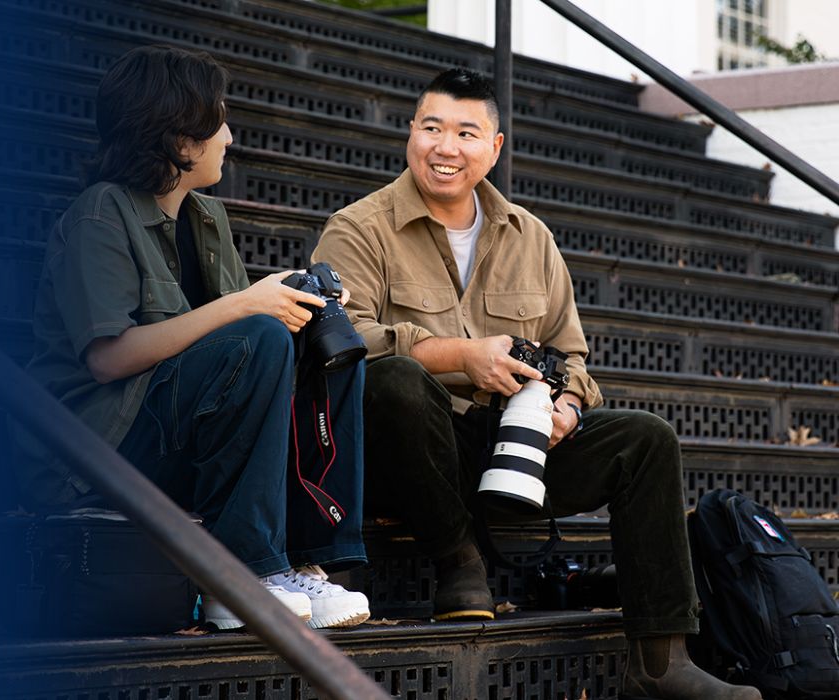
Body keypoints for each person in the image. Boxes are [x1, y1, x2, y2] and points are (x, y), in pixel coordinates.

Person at [313, 68, 761, 699]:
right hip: (410, 447)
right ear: (410, 133)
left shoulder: (531, 236)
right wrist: (461, 355)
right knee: (396, 381)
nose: (446, 147)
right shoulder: (359, 227)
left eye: (467, 133)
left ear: (494, 148)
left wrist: (568, 409)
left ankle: (660, 661)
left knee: (646, 438)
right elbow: (344, 340)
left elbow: (573, 355)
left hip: (514, 447)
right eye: (432, 128)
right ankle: (459, 562)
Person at [19, 45, 369, 631]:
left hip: (176, 428)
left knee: (325, 345)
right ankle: (238, 576)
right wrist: (246, 305)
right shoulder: (100, 213)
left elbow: (243, 344)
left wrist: (294, 307)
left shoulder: (207, 216)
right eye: (219, 121)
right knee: (260, 333)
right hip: (97, 448)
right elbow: (109, 358)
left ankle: (305, 561)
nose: (230, 135)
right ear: (181, 141)